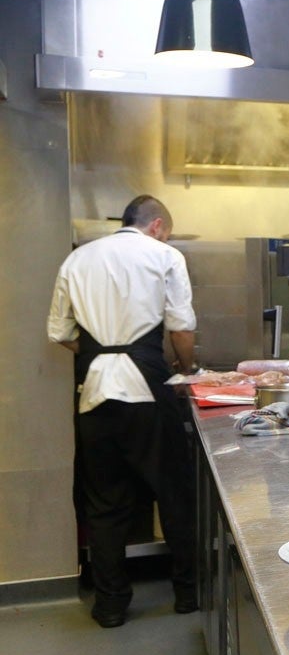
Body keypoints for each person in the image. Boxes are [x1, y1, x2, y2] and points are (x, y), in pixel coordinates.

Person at [47, 195, 199, 629]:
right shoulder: (164, 255)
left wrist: (100, 354)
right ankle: (188, 594)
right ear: (156, 226)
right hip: (149, 382)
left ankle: (110, 604)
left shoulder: (77, 259)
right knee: (173, 491)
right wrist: (188, 369)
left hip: (93, 389)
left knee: (104, 498)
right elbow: (181, 326)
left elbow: (59, 332)